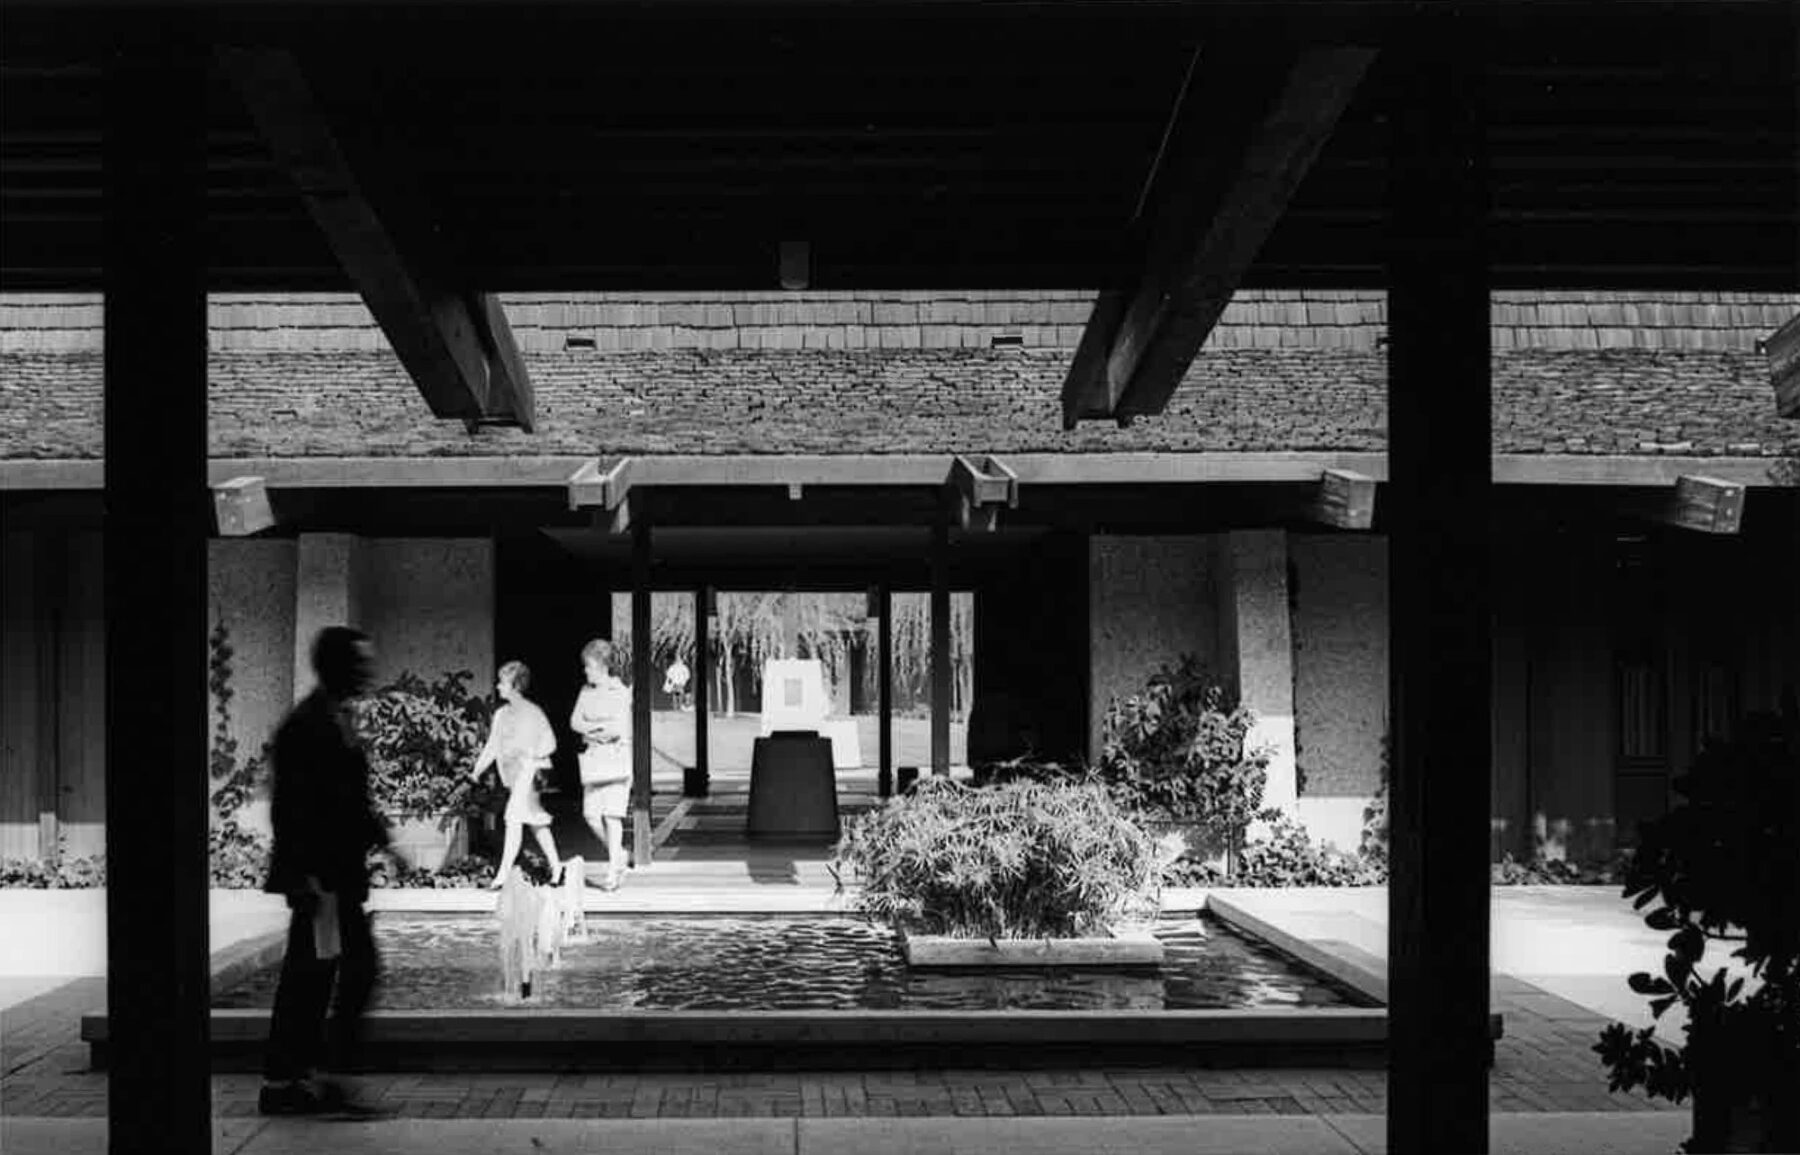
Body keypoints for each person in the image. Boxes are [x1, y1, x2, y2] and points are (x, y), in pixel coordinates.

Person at [258, 626, 398, 1119]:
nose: (368, 671)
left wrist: (383, 838)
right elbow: (292, 808)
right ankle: (302, 1080)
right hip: (321, 877)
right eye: (360, 663)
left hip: (336, 875)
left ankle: (293, 1080)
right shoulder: (308, 725)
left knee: (320, 974)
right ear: (337, 667)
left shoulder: (334, 718)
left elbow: (346, 797)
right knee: (335, 972)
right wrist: (300, 879)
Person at [470, 660, 564, 890]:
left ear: (515, 685)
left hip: (529, 775)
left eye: (503, 682)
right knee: (536, 823)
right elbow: (492, 746)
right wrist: (476, 771)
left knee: (513, 818)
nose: (498, 686)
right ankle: (557, 867)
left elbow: (550, 742)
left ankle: (502, 875)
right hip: (513, 777)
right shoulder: (501, 714)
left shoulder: (533, 713)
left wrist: (531, 753)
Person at [571, 638, 632, 890]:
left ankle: (612, 870)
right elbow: (575, 722)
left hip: (616, 758)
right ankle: (619, 855)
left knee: (612, 815)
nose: (586, 670)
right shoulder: (586, 692)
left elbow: (618, 728)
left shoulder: (619, 691)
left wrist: (591, 730)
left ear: (602, 665)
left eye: (589, 666)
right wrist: (595, 730)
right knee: (591, 815)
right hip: (595, 759)